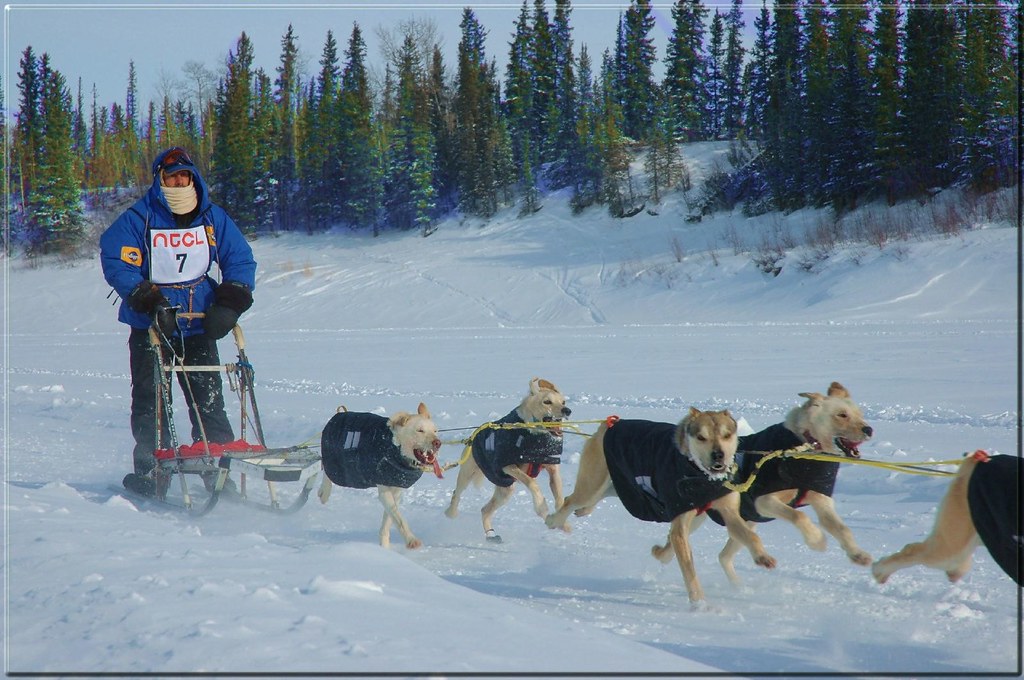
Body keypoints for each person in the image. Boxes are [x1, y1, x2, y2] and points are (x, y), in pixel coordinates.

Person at [100, 147, 257, 496]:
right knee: (151, 402)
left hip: (200, 322)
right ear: (160, 180)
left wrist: (229, 304)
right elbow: (117, 261)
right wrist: (148, 300)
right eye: (172, 177)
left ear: (193, 179)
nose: (179, 181)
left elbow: (240, 259)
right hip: (151, 326)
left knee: (209, 401)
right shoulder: (139, 219)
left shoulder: (213, 218)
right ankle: (152, 472)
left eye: (184, 176)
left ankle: (218, 470)